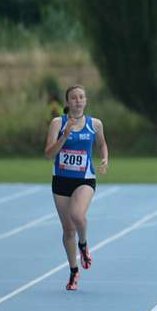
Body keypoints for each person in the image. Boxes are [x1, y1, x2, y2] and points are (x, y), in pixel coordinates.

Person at [44, 85, 109, 291]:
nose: (78, 101)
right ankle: (73, 271)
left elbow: (102, 144)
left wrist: (105, 159)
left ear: (86, 101)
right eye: (73, 97)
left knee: (77, 215)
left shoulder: (95, 124)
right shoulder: (58, 123)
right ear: (68, 102)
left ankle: (83, 244)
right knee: (68, 229)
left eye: (81, 97)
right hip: (61, 180)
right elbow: (48, 154)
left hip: (85, 179)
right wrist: (64, 136)